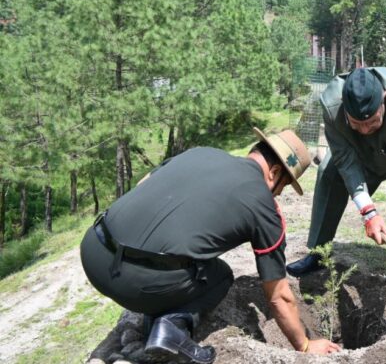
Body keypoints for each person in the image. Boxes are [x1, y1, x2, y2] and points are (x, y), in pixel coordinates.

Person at [80, 129, 342, 363]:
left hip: (93, 249)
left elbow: (144, 183)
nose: (278, 195)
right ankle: (171, 328)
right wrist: (305, 344)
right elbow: (279, 296)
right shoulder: (263, 204)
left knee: (191, 260)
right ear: (274, 174)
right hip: (134, 283)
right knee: (220, 276)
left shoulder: (200, 153)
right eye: (282, 188)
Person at [285, 67, 386, 296]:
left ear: (384, 101)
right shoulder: (331, 105)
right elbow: (345, 160)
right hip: (360, 150)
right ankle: (319, 253)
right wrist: (369, 212)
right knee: (330, 173)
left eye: (372, 122)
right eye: (357, 124)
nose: (366, 130)